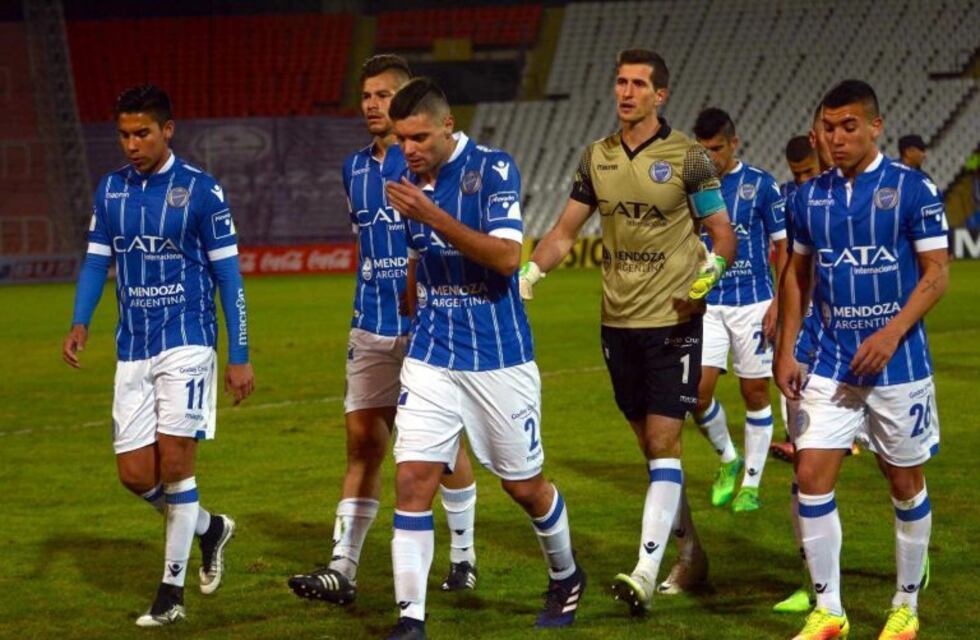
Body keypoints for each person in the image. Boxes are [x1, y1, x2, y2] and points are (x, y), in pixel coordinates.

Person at [520, 49, 736, 615]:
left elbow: (722, 234)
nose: (627, 91)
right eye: (621, 81)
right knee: (650, 448)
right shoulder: (597, 157)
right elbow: (566, 231)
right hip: (617, 324)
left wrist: (705, 279)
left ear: (660, 95)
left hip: (674, 321)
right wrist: (531, 272)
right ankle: (691, 554)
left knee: (665, 443)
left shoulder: (688, 157)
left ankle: (644, 571)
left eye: (639, 84)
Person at [382, 78, 585, 640]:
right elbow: (418, 254)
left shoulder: (493, 170)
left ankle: (566, 574)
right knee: (412, 480)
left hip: (498, 359)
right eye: (402, 139)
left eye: (419, 136)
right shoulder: (405, 184)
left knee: (524, 486)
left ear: (447, 125)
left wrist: (433, 216)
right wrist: (412, 286)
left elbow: (506, 257)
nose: (410, 149)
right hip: (431, 357)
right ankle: (410, 619)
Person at [287, 55, 480, 607]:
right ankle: (342, 568)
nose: (373, 104)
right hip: (368, 325)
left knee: (440, 451)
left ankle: (464, 556)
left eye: (384, 95)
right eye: (367, 95)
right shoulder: (353, 169)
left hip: (428, 327)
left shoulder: (428, 161)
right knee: (362, 443)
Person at [62, 85, 253, 626]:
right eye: (124, 134)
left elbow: (229, 278)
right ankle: (209, 528)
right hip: (133, 348)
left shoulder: (202, 192)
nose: (131, 144)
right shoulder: (111, 192)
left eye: (142, 132)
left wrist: (239, 353)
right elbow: (98, 263)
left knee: (175, 467)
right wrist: (81, 321)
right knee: (133, 473)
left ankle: (170, 596)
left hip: (188, 342)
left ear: (168, 130)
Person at [776, 79, 947, 640]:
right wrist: (787, 349)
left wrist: (893, 333)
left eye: (850, 126)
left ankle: (905, 604)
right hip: (830, 363)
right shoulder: (807, 198)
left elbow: (936, 273)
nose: (838, 136)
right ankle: (829, 610)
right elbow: (798, 277)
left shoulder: (914, 189)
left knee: (904, 481)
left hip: (898, 368)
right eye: (829, 126)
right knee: (811, 477)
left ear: (875, 126)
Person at [686, 107, 788, 515]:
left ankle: (751, 483)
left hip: (753, 303)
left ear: (734, 143)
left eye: (717, 149)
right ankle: (729, 459)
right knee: (695, 394)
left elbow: (783, 247)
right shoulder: (693, 188)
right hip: (709, 304)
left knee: (755, 392)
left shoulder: (762, 185)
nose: (711, 157)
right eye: (703, 150)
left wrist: (779, 303)